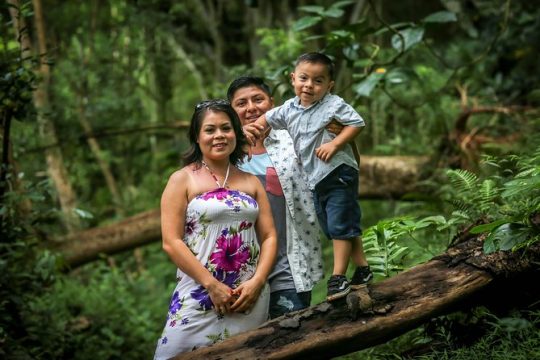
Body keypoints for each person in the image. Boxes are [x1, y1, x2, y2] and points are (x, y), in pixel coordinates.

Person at [244, 52, 373, 302]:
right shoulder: (289, 109)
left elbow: (357, 123)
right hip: (316, 177)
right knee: (335, 224)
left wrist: (335, 144)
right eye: (304, 78)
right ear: (293, 79)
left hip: (338, 171)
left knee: (338, 225)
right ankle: (363, 269)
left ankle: (338, 278)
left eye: (318, 81)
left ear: (329, 86)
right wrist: (250, 131)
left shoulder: (332, 105)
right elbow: (266, 119)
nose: (309, 86)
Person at [154, 99, 277, 358]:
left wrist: (257, 282)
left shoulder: (251, 181)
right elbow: (171, 242)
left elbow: (269, 237)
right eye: (210, 130)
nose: (219, 135)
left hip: (247, 297)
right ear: (197, 137)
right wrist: (211, 285)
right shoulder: (182, 179)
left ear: (235, 132)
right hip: (199, 292)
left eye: (226, 128)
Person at [227, 76, 324, 318]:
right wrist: (236, 141)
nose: (251, 108)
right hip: (235, 271)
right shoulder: (224, 150)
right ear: (231, 111)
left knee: (290, 339)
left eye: (258, 100)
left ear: (272, 103)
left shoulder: (295, 140)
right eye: (241, 103)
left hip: (289, 268)